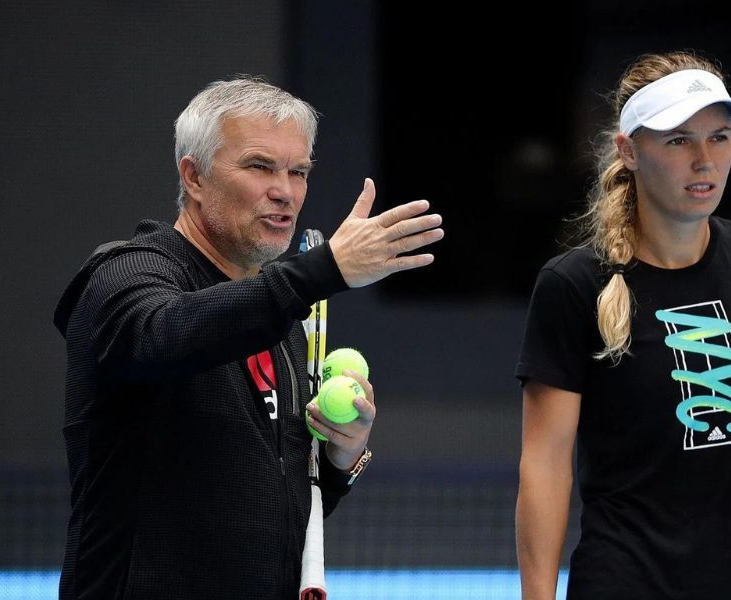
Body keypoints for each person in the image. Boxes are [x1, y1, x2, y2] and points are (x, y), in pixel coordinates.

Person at [53, 77, 444, 599]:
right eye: (260, 166)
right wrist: (321, 270)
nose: (285, 190)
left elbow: (271, 506)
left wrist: (340, 457)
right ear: (193, 177)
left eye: (298, 171)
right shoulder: (123, 276)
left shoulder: (274, 315)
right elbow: (166, 334)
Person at [515, 51, 731, 599]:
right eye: (678, 140)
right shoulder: (573, 283)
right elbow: (545, 463)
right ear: (629, 151)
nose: (705, 160)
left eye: (720, 137)